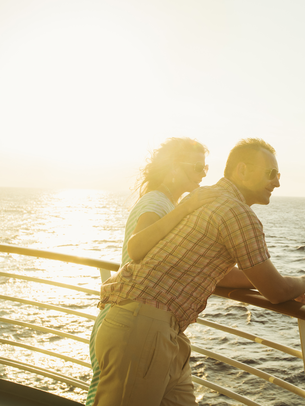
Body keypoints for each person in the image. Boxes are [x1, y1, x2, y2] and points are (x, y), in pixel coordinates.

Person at [93, 138, 305, 406]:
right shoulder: (237, 213)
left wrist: (263, 282)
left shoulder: (206, 200)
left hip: (155, 329)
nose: (277, 182)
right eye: (271, 173)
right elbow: (277, 292)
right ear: (242, 170)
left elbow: (218, 273)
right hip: (145, 329)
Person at [85, 137, 217, 406]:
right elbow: (138, 247)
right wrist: (188, 207)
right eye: (196, 167)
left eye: (204, 169)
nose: (202, 175)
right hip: (132, 320)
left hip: (153, 325)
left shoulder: (167, 205)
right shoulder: (157, 203)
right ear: (173, 168)